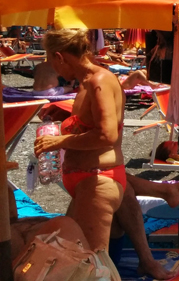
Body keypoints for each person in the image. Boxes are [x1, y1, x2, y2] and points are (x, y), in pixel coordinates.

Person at [33, 29, 125, 252]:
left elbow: (107, 135)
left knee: (93, 263)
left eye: (50, 61)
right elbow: (94, 122)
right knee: (77, 256)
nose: (53, 68)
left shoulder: (98, 81)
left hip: (98, 180)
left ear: (59, 57)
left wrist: (60, 142)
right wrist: (67, 117)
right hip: (88, 181)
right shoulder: (87, 82)